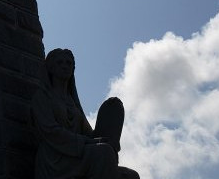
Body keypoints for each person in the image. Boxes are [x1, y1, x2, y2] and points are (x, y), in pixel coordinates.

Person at [32, 49, 139, 179]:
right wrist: (87, 142)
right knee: (104, 153)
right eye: (60, 63)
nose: (65, 66)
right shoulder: (43, 97)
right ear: (51, 67)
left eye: (69, 63)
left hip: (78, 155)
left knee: (131, 175)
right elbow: (50, 131)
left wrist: (110, 121)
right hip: (55, 158)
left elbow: (88, 134)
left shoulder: (72, 101)